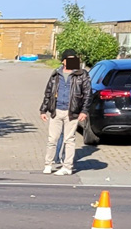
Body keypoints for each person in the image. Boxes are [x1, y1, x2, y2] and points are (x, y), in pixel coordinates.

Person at [38, 48, 91, 176]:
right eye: (70, 59)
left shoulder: (82, 74)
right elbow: (48, 93)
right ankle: (48, 164)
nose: (73, 61)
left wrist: (84, 111)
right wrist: (43, 109)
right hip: (56, 111)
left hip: (72, 112)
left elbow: (88, 94)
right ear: (63, 61)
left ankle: (67, 166)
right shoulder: (56, 74)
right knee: (52, 139)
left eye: (75, 59)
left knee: (69, 140)